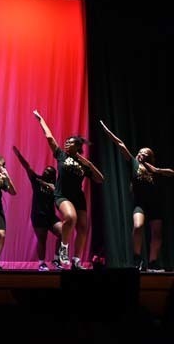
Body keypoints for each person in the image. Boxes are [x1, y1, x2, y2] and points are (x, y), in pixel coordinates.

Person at [33, 109, 104, 269]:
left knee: (83, 227)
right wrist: (41, 120)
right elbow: (49, 137)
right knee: (70, 217)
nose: (65, 143)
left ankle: (77, 261)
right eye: (65, 142)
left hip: (78, 197)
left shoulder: (83, 164)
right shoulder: (61, 155)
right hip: (62, 195)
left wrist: (89, 164)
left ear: (77, 146)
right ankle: (63, 250)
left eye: (69, 142)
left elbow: (100, 179)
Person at [100, 120, 174, 272]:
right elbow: (121, 144)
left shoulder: (154, 169)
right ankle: (137, 258)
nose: (140, 154)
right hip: (139, 203)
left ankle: (153, 262)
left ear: (149, 156)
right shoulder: (134, 164)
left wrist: (157, 170)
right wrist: (107, 132)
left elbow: (171, 173)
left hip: (155, 204)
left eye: (144, 153)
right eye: (139, 152)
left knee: (157, 233)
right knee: (138, 226)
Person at [13, 145, 62, 271]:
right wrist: (19, 156)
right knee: (42, 239)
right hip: (38, 215)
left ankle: (56, 259)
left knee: (63, 232)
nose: (46, 172)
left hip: (50, 216)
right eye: (45, 170)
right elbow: (27, 167)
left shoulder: (55, 186)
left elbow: (60, 196)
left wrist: (51, 187)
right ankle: (41, 263)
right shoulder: (36, 180)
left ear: (53, 175)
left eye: (49, 171)